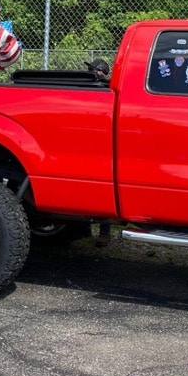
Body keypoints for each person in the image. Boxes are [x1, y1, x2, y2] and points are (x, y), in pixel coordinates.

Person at [85, 58, 113, 246]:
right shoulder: (89, 89)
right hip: (88, 144)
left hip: (103, 147)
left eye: (94, 71)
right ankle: (84, 227)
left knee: (103, 193)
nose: (91, 73)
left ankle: (105, 231)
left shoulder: (106, 90)